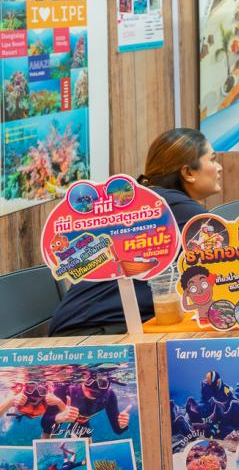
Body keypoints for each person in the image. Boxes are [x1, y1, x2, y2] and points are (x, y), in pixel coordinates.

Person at [50, 129, 221, 335]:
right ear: (188, 173)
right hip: (93, 335)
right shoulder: (176, 208)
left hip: (81, 326)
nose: (219, 167)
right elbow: (236, 260)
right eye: (212, 159)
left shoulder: (149, 200)